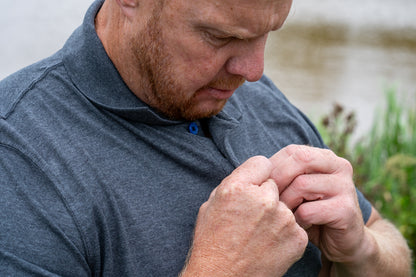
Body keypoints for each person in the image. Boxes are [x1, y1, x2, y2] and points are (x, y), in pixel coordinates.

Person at [0, 0, 411, 276]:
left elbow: (388, 243)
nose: (253, 69)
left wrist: (362, 250)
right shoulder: (18, 150)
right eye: (220, 37)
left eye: (267, 33)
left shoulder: (252, 92)